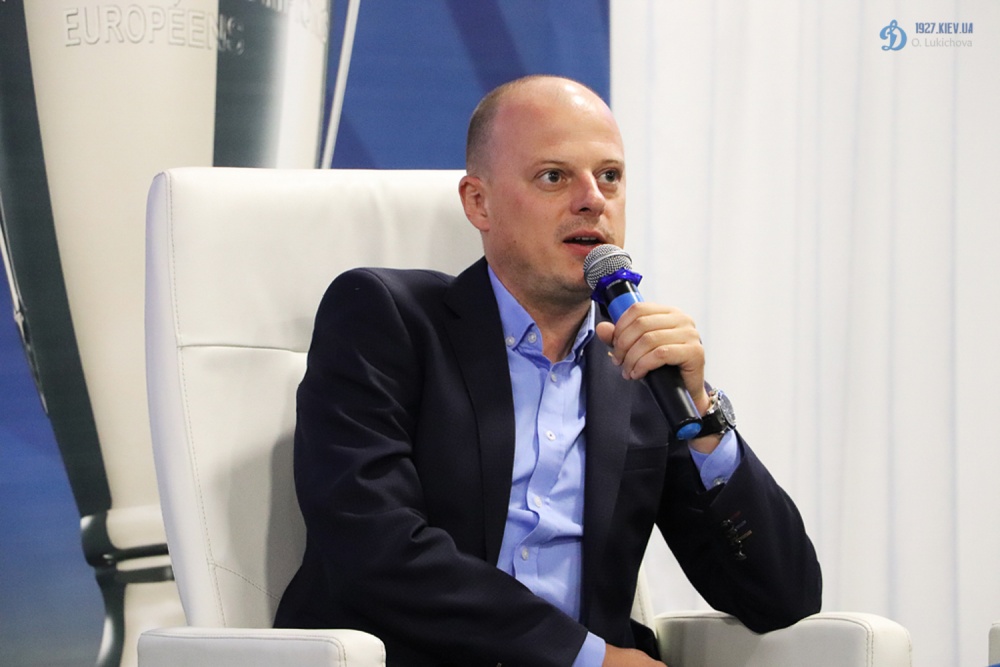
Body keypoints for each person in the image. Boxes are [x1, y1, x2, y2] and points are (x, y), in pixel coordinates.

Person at [274, 75, 821, 667]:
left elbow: (782, 597)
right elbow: (371, 546)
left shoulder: (640, 371)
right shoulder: (387, 318)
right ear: (478, 203)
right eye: (554, 176)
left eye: (609, 176)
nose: (593, 199)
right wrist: (587, 658)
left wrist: (703, 416)